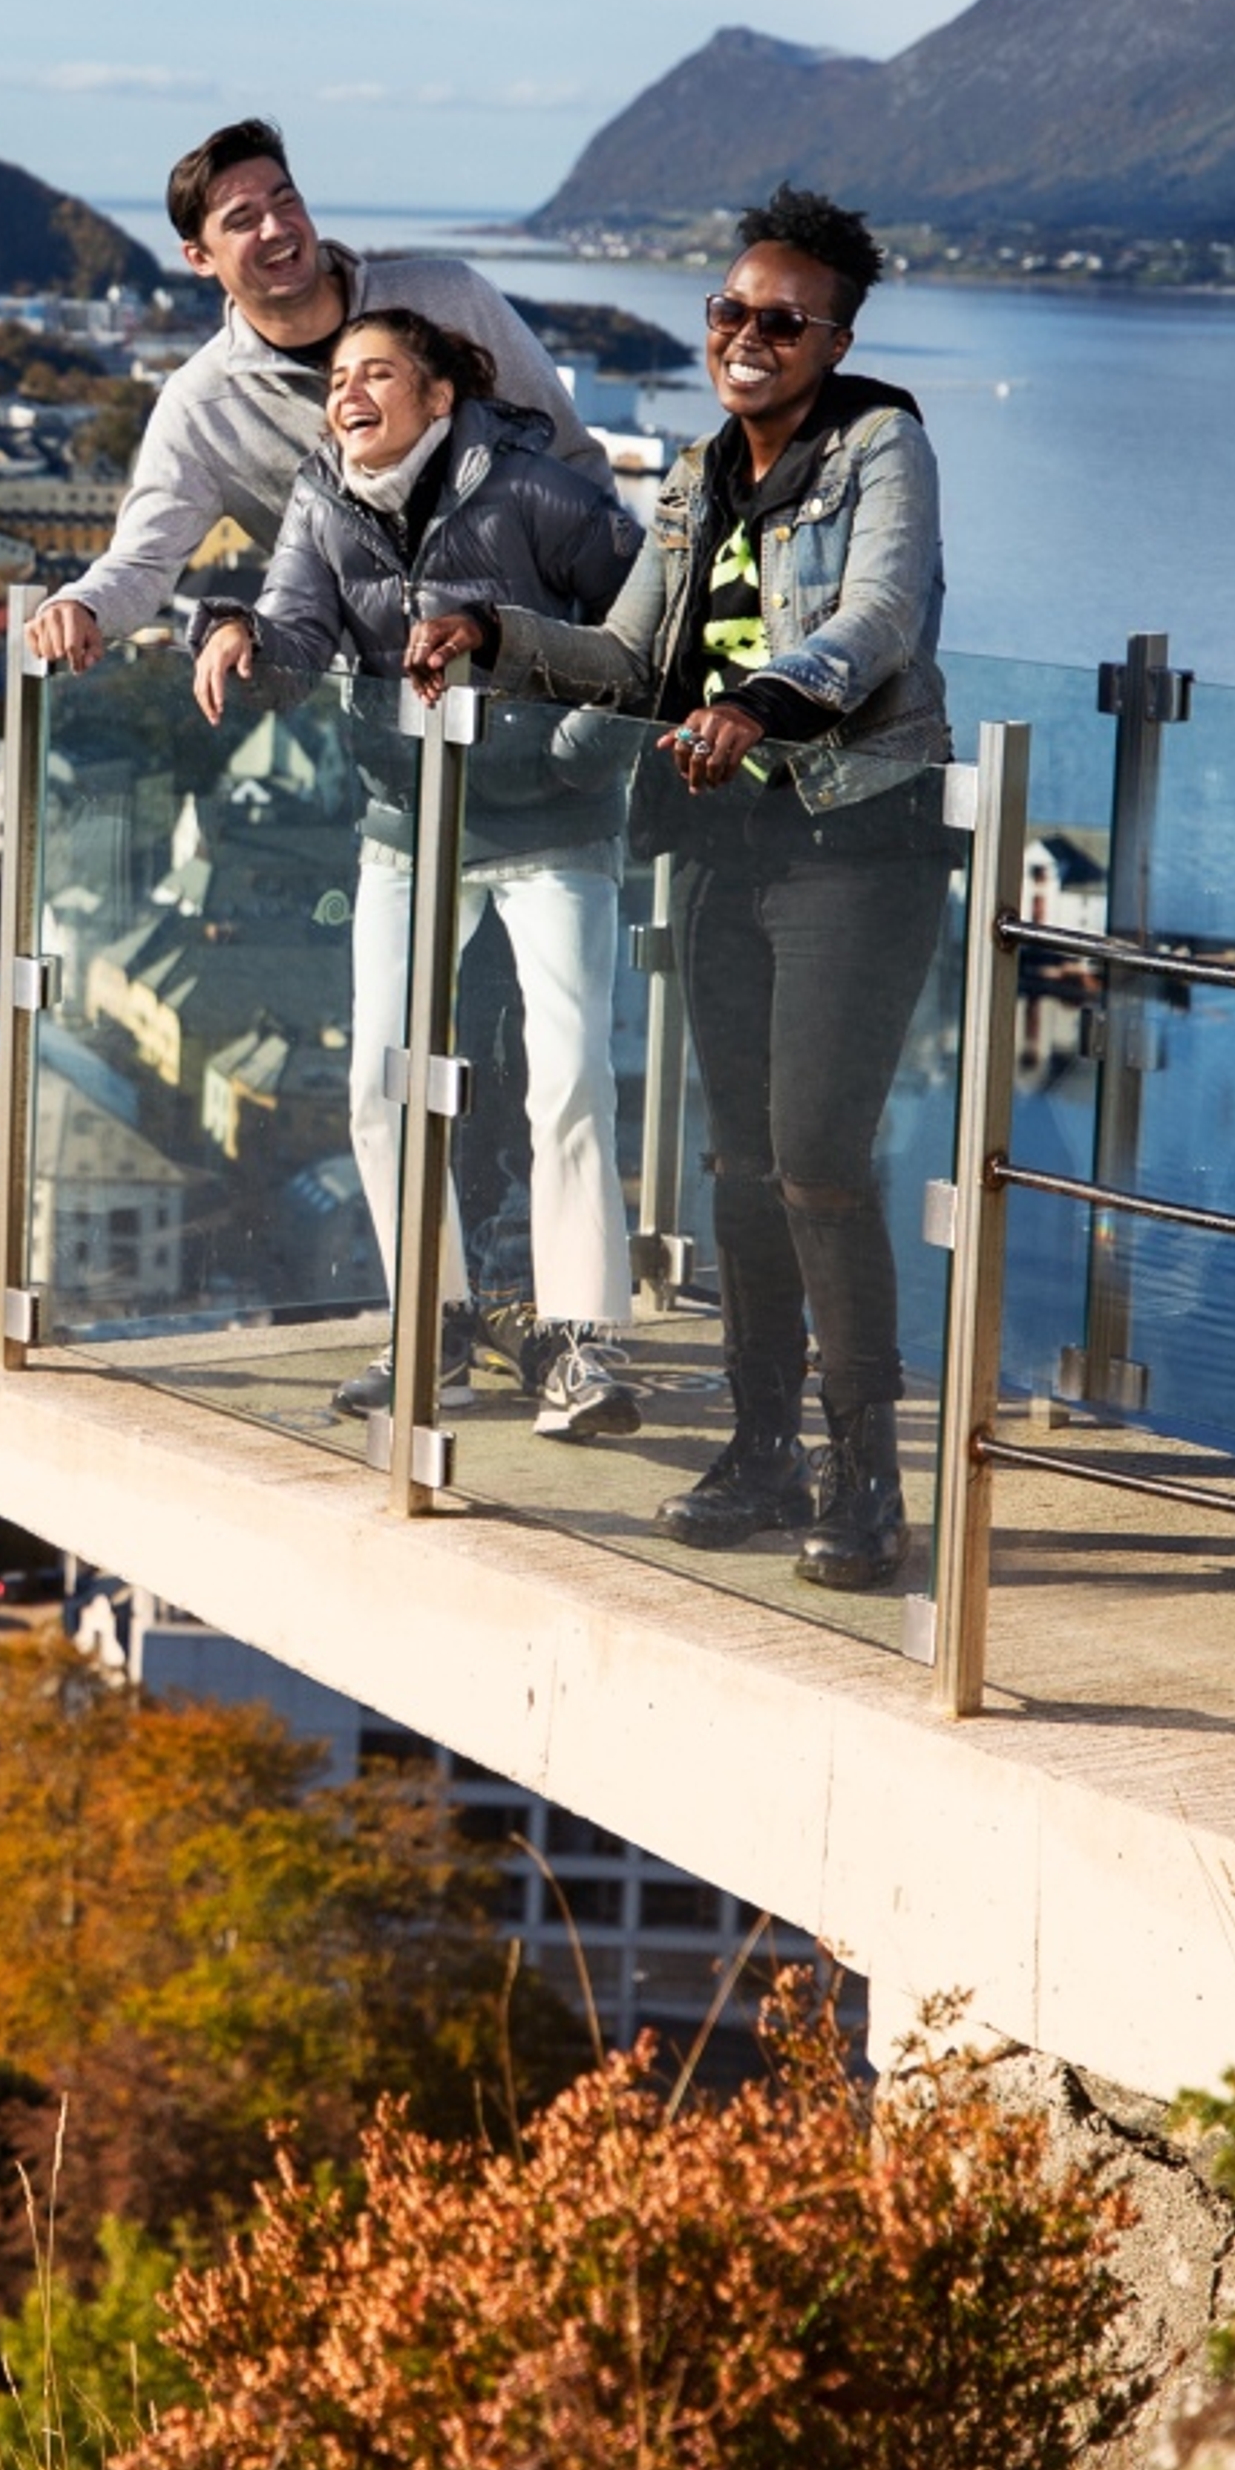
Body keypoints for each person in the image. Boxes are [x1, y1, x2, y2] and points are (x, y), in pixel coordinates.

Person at [405, 186, 951, 1589]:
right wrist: (491, 636)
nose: (746, 335)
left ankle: (865, 1482)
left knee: (824, 1166)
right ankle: (762, 1451)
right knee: (739, 1167)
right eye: (729, 311)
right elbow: (633, 661)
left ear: (835, 339)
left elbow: (879, 617)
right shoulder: (697, 474)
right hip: (724, 852)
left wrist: (766, 700)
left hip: (855, 849)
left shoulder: (882, 443)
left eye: (783, 319)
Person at [193, 308, 645, 1438]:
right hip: (411, 816)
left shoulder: (537, 491)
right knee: (381, 1083)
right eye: (337, 377)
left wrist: (579, 747)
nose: (347, 393)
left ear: (439, 398)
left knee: (571, 1075)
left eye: (376, 374)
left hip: (552, 820)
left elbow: (648, 626)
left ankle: (585, 1345)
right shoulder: (323, 496)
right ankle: (431, 1329)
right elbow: (300, 634)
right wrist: (237, 631)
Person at [23, 119, 602, 678]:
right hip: (389, 721)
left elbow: (576, 464)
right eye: (243, 219)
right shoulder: (201, 407)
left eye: (285, 201)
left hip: (544, 692)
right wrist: (82, 606)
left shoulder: (451, 298)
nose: (276, 229)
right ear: (199, 258)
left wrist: (599, 666)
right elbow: (145, 560)